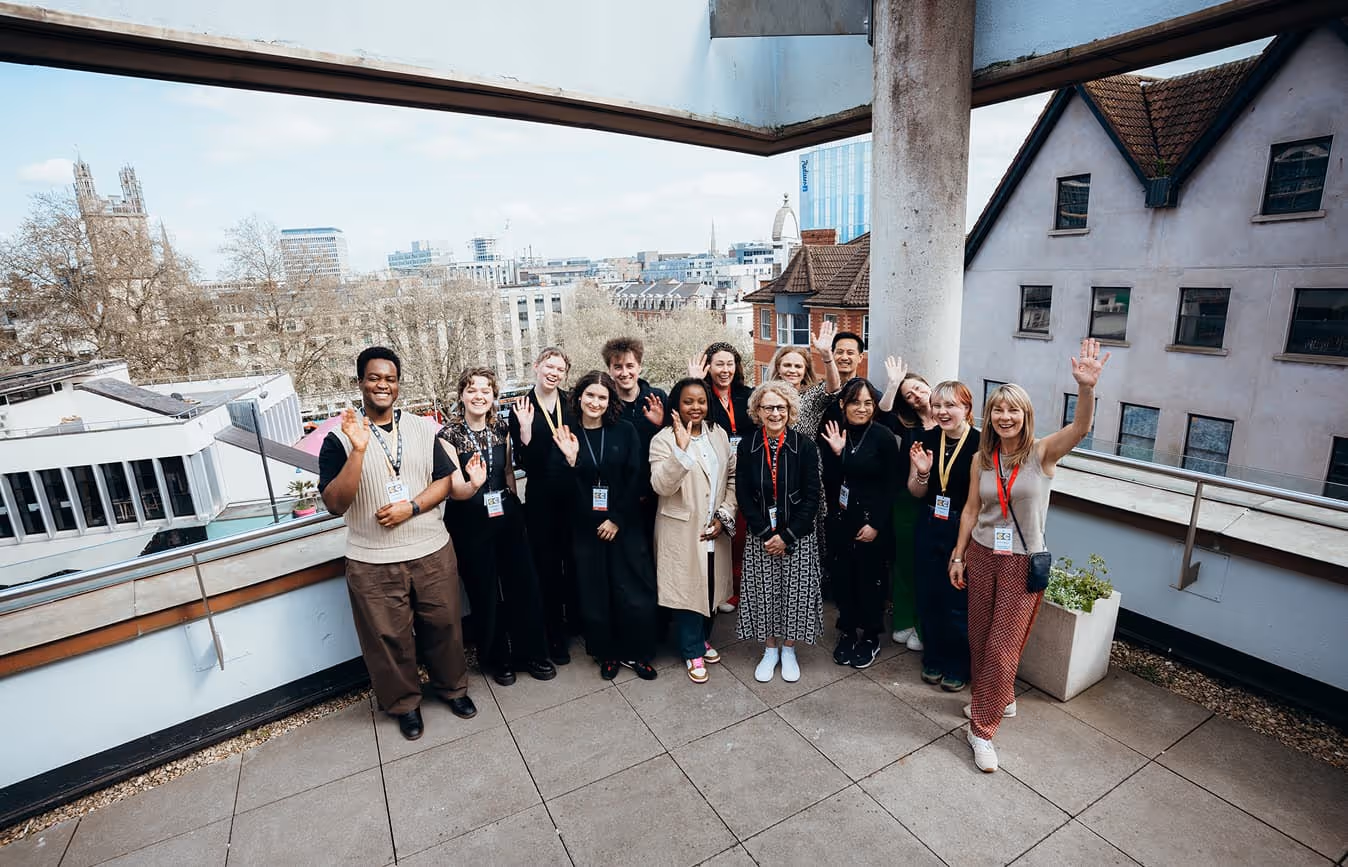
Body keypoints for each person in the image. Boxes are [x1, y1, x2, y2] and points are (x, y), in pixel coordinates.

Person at [950, 338, 1110, 773]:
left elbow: (1079, 429)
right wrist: (959, 555)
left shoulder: (1042, 453)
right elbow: (970, 509)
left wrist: (1087, 388)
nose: (1005, 417)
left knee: (1003, 648)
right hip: (982, 555)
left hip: (1023, 561)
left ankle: (982, 730)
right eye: (998, 410)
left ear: (1026, 415)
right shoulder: (982, 458)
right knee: (980, 639)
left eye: (1013, 410)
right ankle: (1000, 697)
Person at [318, 347, 478, 741]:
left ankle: (453, 689)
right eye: (374, 378)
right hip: (372, 561)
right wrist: (358, 451)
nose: (382, 385)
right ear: (360, 382)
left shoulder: (424, 429)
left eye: (389, 379)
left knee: (444, 626)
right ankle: (405, 705)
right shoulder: (339, 438)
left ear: (398, 385)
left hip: (431, 550)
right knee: (388, 639)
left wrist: (411, 507)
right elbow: (335, 504)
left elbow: (444, 480)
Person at [440, 367, 556, 687]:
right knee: (484, 590)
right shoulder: (448, 436)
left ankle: (530, 653)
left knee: (523, 584)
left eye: (486, 390)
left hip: (506, 514)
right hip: (468, 520)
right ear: (462, 394)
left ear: (494, 396)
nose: (479, 396)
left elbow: (507, 474)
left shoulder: (501, 428)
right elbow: (454, 489)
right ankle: (496, 659)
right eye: (472, 389)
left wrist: (515, 509)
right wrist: (473, 484)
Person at [552, 371, 659, 681]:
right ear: (579, 397)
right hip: (586, 529)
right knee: (596, 592)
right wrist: (570, 461)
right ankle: (607, 652)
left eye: (602, 397)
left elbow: (637, 478)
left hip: (624, 524)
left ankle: (637, 652)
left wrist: (616, 519)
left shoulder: (624, 431)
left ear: (610, 400)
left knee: (634, 590)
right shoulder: (566, 434)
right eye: (590, 395)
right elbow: (557, 487)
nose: (595, 402)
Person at [650, 377, 738, 684]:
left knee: (712, 586)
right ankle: (691, 650)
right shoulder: (663, 439)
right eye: (688, 401)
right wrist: (682, 450)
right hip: (682, 531)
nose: (695, 407)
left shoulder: (719, 434)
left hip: (715, 526)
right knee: (688, 591)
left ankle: (702, 639)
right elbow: (661, 485)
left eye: (701, 401)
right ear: (677, 404)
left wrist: (724, 515)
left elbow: (733, 478)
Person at [735, 381, 823, 683]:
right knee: (764, 593)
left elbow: (813, 497)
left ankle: (789, 650)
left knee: (795, 594)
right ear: (757, 411)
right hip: (761, 535)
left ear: (790, 410)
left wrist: (786, 536)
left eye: (781, 407)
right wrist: (764, 532)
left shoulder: (805, 446)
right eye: (768, 407)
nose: (775, 413)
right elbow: (743, 494)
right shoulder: (747, 445)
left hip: (797, 536)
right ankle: (769, 649)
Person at [820, 377, 901, 670]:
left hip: (871, 523)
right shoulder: (833, 432)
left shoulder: (883, 436)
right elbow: (829, 478)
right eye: (855, 402)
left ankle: (870, 635)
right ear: (843, 404)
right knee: (843, 578)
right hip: (841, 520)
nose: (862, 408)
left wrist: (877, 524)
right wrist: (837, 453)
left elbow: (891, 484)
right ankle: (847, 630)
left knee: (870, 581)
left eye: (868, 402)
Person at [906, 381, 980, 692]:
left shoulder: (981, 444)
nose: (942, 411)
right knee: (929, 596)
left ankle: (958, 664)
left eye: (950, 405)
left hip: (963, 527)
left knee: (957, 600)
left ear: (967, 409)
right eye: (938, 405)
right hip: (929, 523)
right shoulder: (925, 439)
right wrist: (922, 472)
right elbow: (916, 491)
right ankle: (933, 657)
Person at [509, 347, 578, 664]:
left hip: (572, 495)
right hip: (540, 499)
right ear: (536, 366)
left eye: (560, 368)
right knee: (547, 568)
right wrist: (524, 431)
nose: (554, 372)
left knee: (574, 562)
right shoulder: (521, 406)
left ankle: (577, 623)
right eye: (549, 366)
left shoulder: (571, 402)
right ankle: (555, 636)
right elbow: (522, 463)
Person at [688, 342, 753, 613]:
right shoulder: (702, 396)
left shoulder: (747, 395)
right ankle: (723, 590)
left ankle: (741, 588)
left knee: (743, 532)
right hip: (717, 471)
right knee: (723, 531)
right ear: (708, 367)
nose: (725, 370)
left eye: (730, 364)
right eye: (719, 364)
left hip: (747, 469)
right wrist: (692, 379)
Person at [880, 359, 935, 652]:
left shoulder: (948, 419)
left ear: (928, 385)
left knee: (929, 566)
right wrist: (893, 384)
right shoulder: (907, 424)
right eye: (908, 396)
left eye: (917, 389)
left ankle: (925, 626)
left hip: (938, 504)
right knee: (903, 562)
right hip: (905, 500)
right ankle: (904, 619)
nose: (914, 396)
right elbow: (884, 413)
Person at [602, 336, 667, 544]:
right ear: (610, 370)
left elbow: (676, 444)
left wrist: (661, 425)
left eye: (630, 365)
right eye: (617, 366)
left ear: (639, 366)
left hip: (656, 497)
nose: (624, 372)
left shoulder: (657, 398)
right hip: (620, 500)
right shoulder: (604, 404)